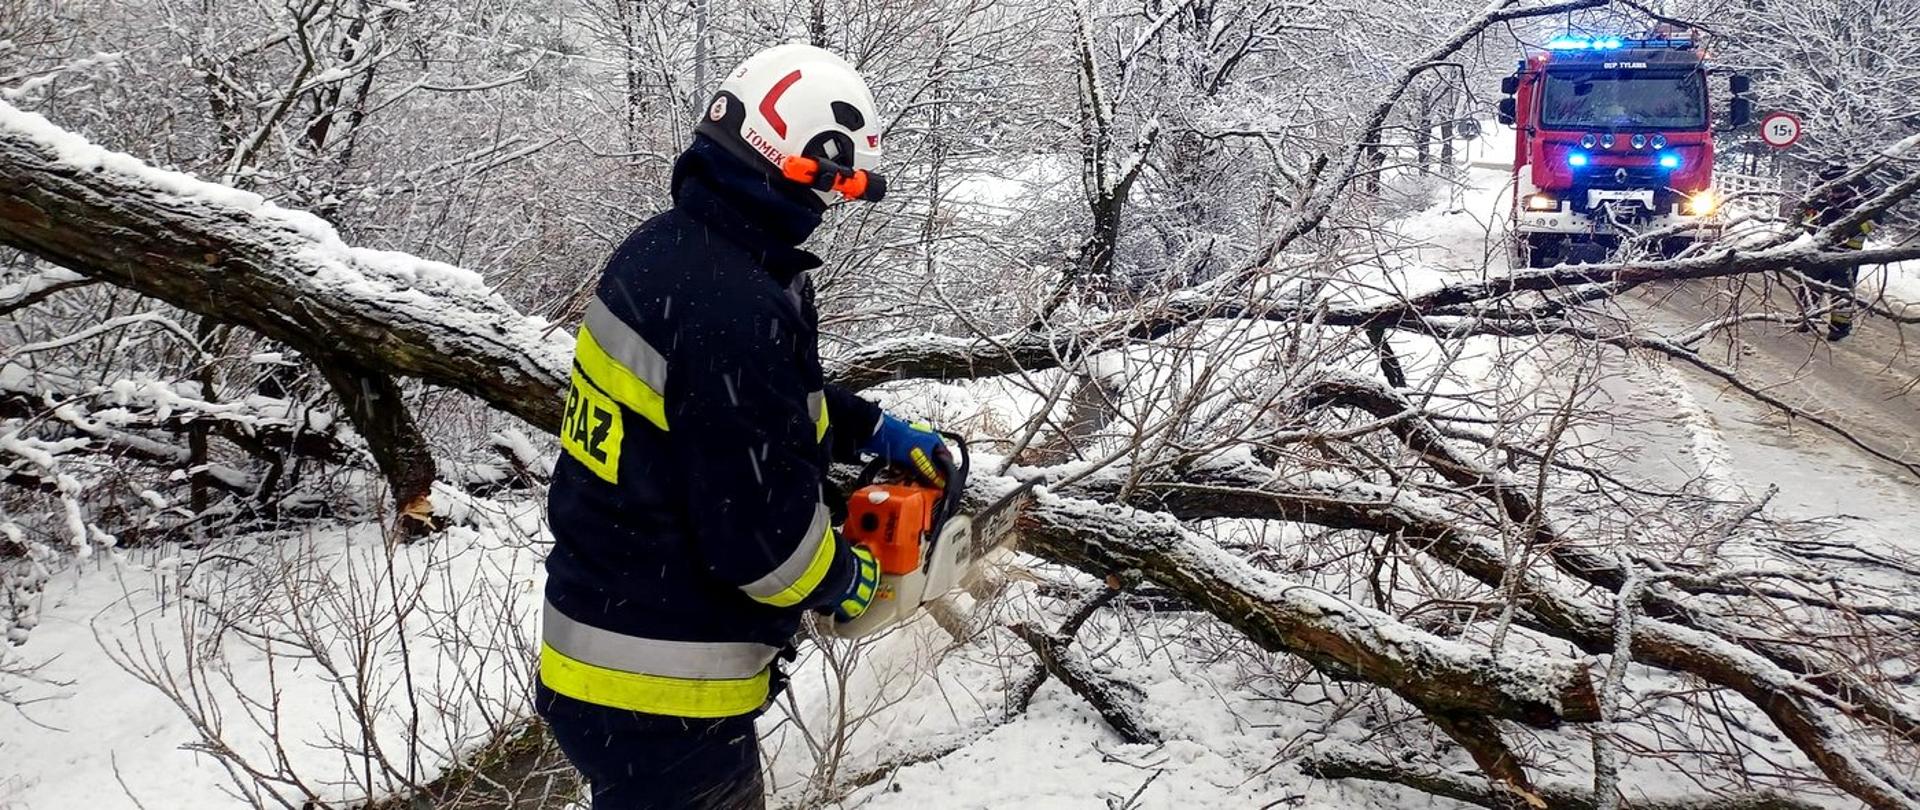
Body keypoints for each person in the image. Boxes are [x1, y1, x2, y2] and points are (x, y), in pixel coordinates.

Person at [537, 43, 951, 809]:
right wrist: (842, 578)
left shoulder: (671, 250)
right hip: (663, 688)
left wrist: (872, 429)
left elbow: (737, 408)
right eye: (833, 184)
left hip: (597, 643)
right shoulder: (732, 303)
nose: (829, 206)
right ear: (802, 164)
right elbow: (760, 544)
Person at [1795, 162, 1876, 342]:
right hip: (1819, 249)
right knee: (1810, 284)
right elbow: (1805, 212)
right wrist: (1815, 227)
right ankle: (1806, 318)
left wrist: (1853, 228)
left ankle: (1839, 328)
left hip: (1848, 253)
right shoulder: (1820, 191)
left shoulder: (1863, 194)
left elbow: (1875, 220)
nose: (1835, 193)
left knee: (1842, 290)